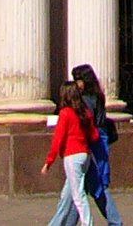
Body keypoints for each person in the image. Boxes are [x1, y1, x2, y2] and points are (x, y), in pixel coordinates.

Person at [72, 63, 124, 226]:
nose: (76, 84)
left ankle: (115, 222)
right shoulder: (97, 95)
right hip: (99, 140)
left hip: (92, 141)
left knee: (93, 186)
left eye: (78, 80)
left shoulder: (86, 99)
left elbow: (86, 122)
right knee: (83, 187)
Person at [42, 79, 98, 226]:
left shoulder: (65, 113)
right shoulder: (84, 112)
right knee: (66, 196)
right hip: (85, 155)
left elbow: (57, 139)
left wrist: (49, 162)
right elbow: (94, 135)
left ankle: (88, 223)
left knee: (78, 196)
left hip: (72, 156)